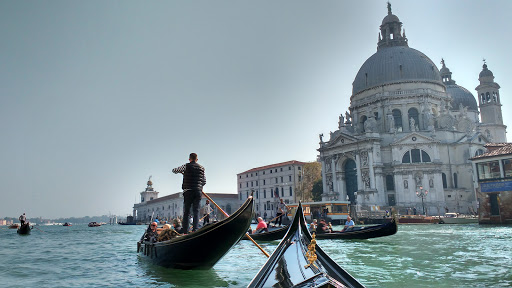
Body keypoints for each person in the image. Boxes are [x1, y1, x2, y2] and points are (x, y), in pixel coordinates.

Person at [172, 153, 206, 234]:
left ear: (189, 159)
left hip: (188, 191)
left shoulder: (186, 166)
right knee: (196, 211)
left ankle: (186, 232)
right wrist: (198, 186)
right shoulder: (202, 168)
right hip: (198, 191)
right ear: (197, 159)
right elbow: (204, 181)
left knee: (187, 212)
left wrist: (181, 172)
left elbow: (174, 170)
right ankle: (195, 230)